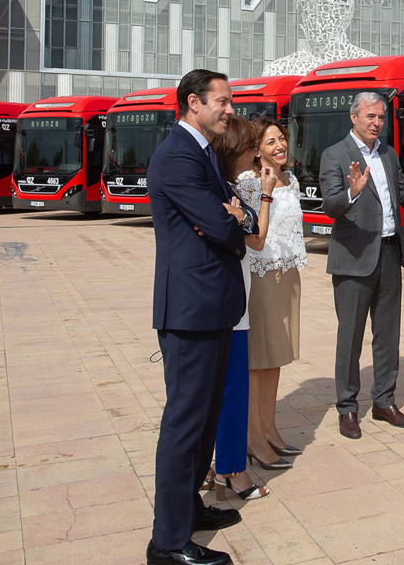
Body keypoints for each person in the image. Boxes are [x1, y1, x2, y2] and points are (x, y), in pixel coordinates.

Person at [147, 69, 258, 565]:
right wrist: (231, 220)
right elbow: (223, 222)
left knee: (205, 419)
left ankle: (189, 508)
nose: (229, 109)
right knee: (184, 423)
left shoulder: (203, 153)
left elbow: (241, 216)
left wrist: (233, 218)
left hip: (213, 306)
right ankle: (168, 543)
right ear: (194, 102)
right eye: (223, 101)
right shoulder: (176, 156)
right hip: (190, 310)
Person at [319, 92, 404, 439]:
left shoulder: (389, 154)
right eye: (369, 117)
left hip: (390, 256)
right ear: (354, 117)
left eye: (380, 117)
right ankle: (348, 408)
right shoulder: (335, 155)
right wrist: (351, 192)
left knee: (388, 335)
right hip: (353, 260)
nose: (376, 123)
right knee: (350, 338)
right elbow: (331, 206)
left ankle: (383, 401)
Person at [209, 116, 276, 500]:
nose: (255, 153)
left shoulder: (233, 187)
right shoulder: (223, 188)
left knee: (227, 390)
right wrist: (261, 199)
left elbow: (251, 231)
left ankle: (223, 466)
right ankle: (231, 469)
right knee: (228, 391)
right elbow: (255, 238)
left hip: (237, 296)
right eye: (251, 146)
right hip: (225, 301)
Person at [243, 116, 307, 468]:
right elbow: (253, 233)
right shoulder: (248, 182)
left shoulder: (291, 179)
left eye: (281, 139)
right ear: (256, 149)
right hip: (262, 275)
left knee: (277, 356)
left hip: (289, 274)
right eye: (270, 142)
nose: (280, 146)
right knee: (259, 359)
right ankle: (253, 436)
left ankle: (269, 427)